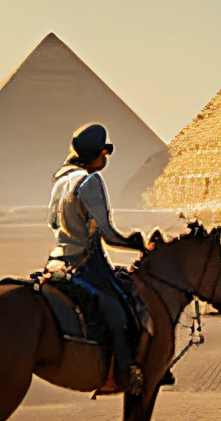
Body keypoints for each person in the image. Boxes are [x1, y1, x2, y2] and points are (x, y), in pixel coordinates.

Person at [47, 123, 147, 394]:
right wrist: (134, 243)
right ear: (98, 152)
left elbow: (53, 223)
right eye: (106, 152)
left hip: (57, 262)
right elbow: (108, 234)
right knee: (121, 308)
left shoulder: (60, 180)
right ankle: (126, 371)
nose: (106, 158)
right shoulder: (90, 181)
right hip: (85, 265)